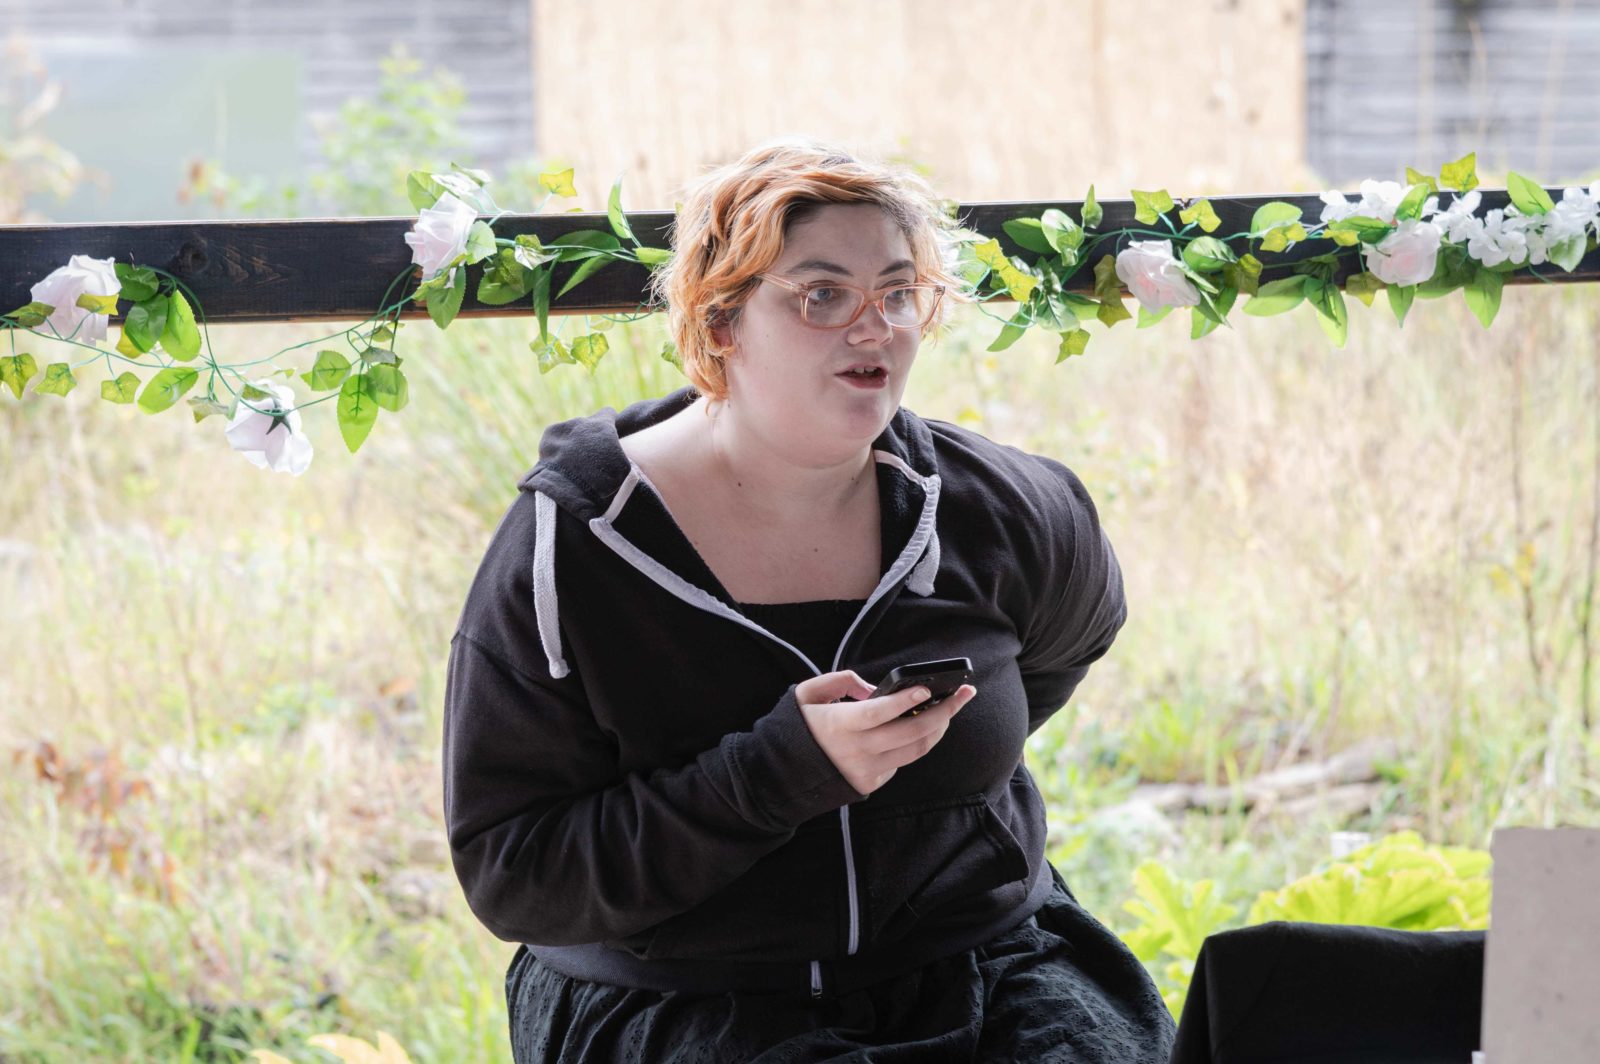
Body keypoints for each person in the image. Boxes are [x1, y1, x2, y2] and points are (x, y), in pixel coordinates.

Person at [442, 138, 1175, 1063]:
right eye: (822, 295)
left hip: (986, 969)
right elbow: (518, 875)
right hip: (686, 1005)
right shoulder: (578, 546)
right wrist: (774, 774)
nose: (875, 328)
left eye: (898, 292)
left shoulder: (1008, 506)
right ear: (719, 324)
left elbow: (1062, 650)